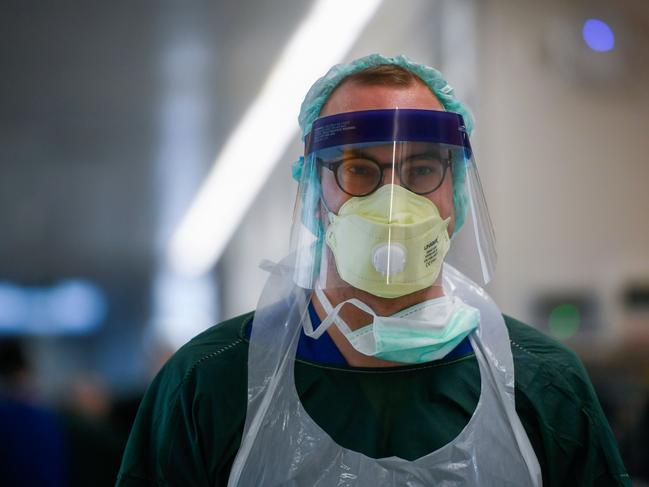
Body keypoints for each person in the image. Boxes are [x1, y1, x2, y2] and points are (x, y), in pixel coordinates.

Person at [116, 54, 631, 486]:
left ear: (455, 194)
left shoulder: (544, 385)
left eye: (422, 169)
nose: (393, 205)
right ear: (316, 194)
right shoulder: (209, 383)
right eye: (359, 170)